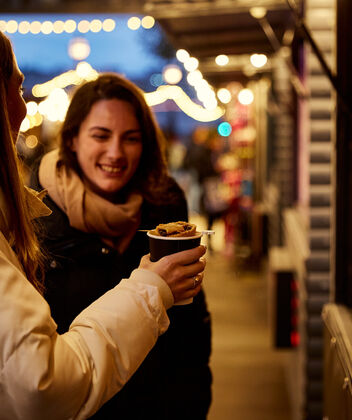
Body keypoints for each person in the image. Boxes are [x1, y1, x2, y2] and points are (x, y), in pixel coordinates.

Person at [0, 31, 206, 419]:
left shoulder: (164, 207)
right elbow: (37, 379)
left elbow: (191, 334)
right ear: (73, 139)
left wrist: (193, 404)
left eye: (130, 138)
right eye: (101, 136)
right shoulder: (34, 216)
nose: (115, 152)